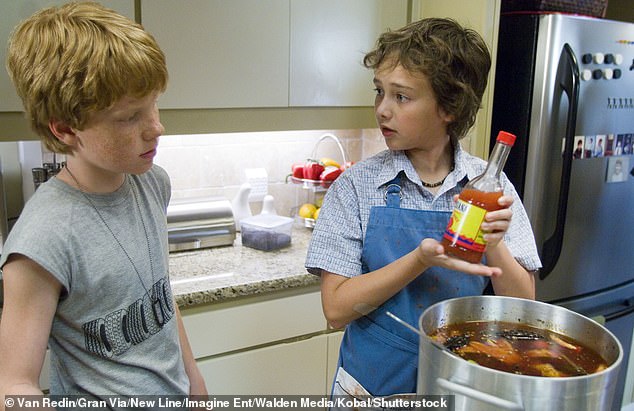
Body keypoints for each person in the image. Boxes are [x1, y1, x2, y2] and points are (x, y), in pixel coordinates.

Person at [305, 18, 541, 401]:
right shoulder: (356, 187)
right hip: (371, 387)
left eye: (401, 97)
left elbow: (525, 308)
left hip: (461, 385)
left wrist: (494, 243)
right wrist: (419, 260)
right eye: (379, 92)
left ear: (449, 106)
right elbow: (335, 310)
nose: (382, 110)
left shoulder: (491, 186)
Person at [0, 2, 206, 405]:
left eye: (153, 103)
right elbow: (14, 386)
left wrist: (194, 381)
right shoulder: (44, 238)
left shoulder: (151, 184)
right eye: (130, 117)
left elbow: (159, 297)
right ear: (66, 129)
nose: (156, 127)